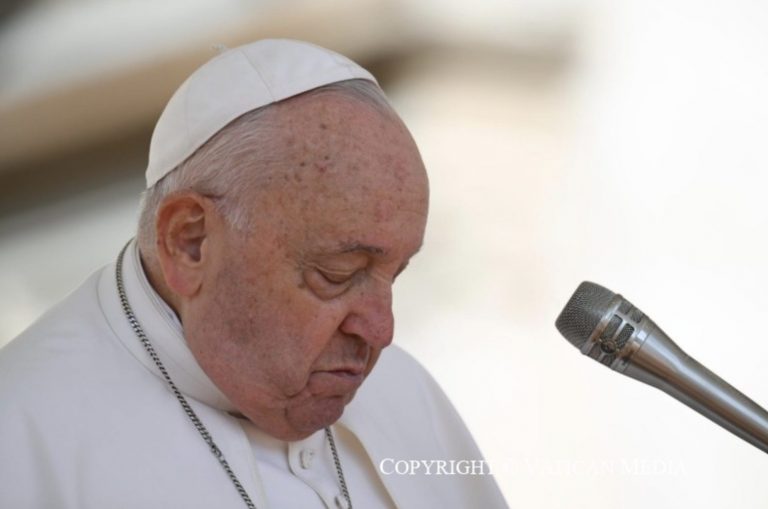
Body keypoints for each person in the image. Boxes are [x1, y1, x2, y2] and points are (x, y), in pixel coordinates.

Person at [0, 39, 507, 508]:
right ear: (190, 242)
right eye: (336, 274)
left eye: (394, 275)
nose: (381, 331)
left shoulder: (404, 393)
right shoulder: (22, 435)